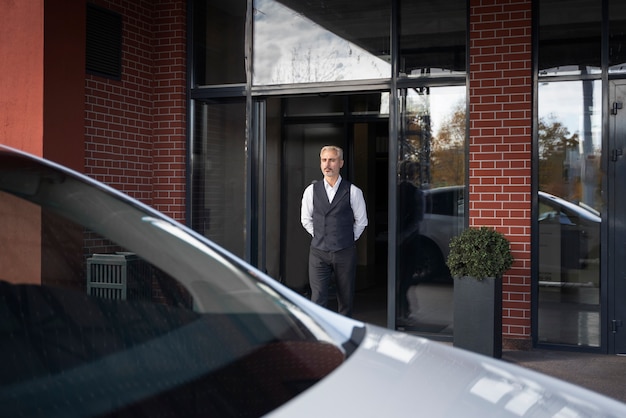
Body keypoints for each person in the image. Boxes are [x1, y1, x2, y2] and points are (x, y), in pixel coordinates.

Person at [301, 145, 368, 317]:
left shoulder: (353, 191)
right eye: (324, 160)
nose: (327, 164)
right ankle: (320, 337)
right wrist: (319, 235)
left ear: (341, 163)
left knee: (345, 299)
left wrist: (346, 239)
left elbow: (361, 221)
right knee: (318, 298)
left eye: (332, 160)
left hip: (344, 251)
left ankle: (343, 337)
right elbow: (305, 219)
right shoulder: (311, 191)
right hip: (318, 252)